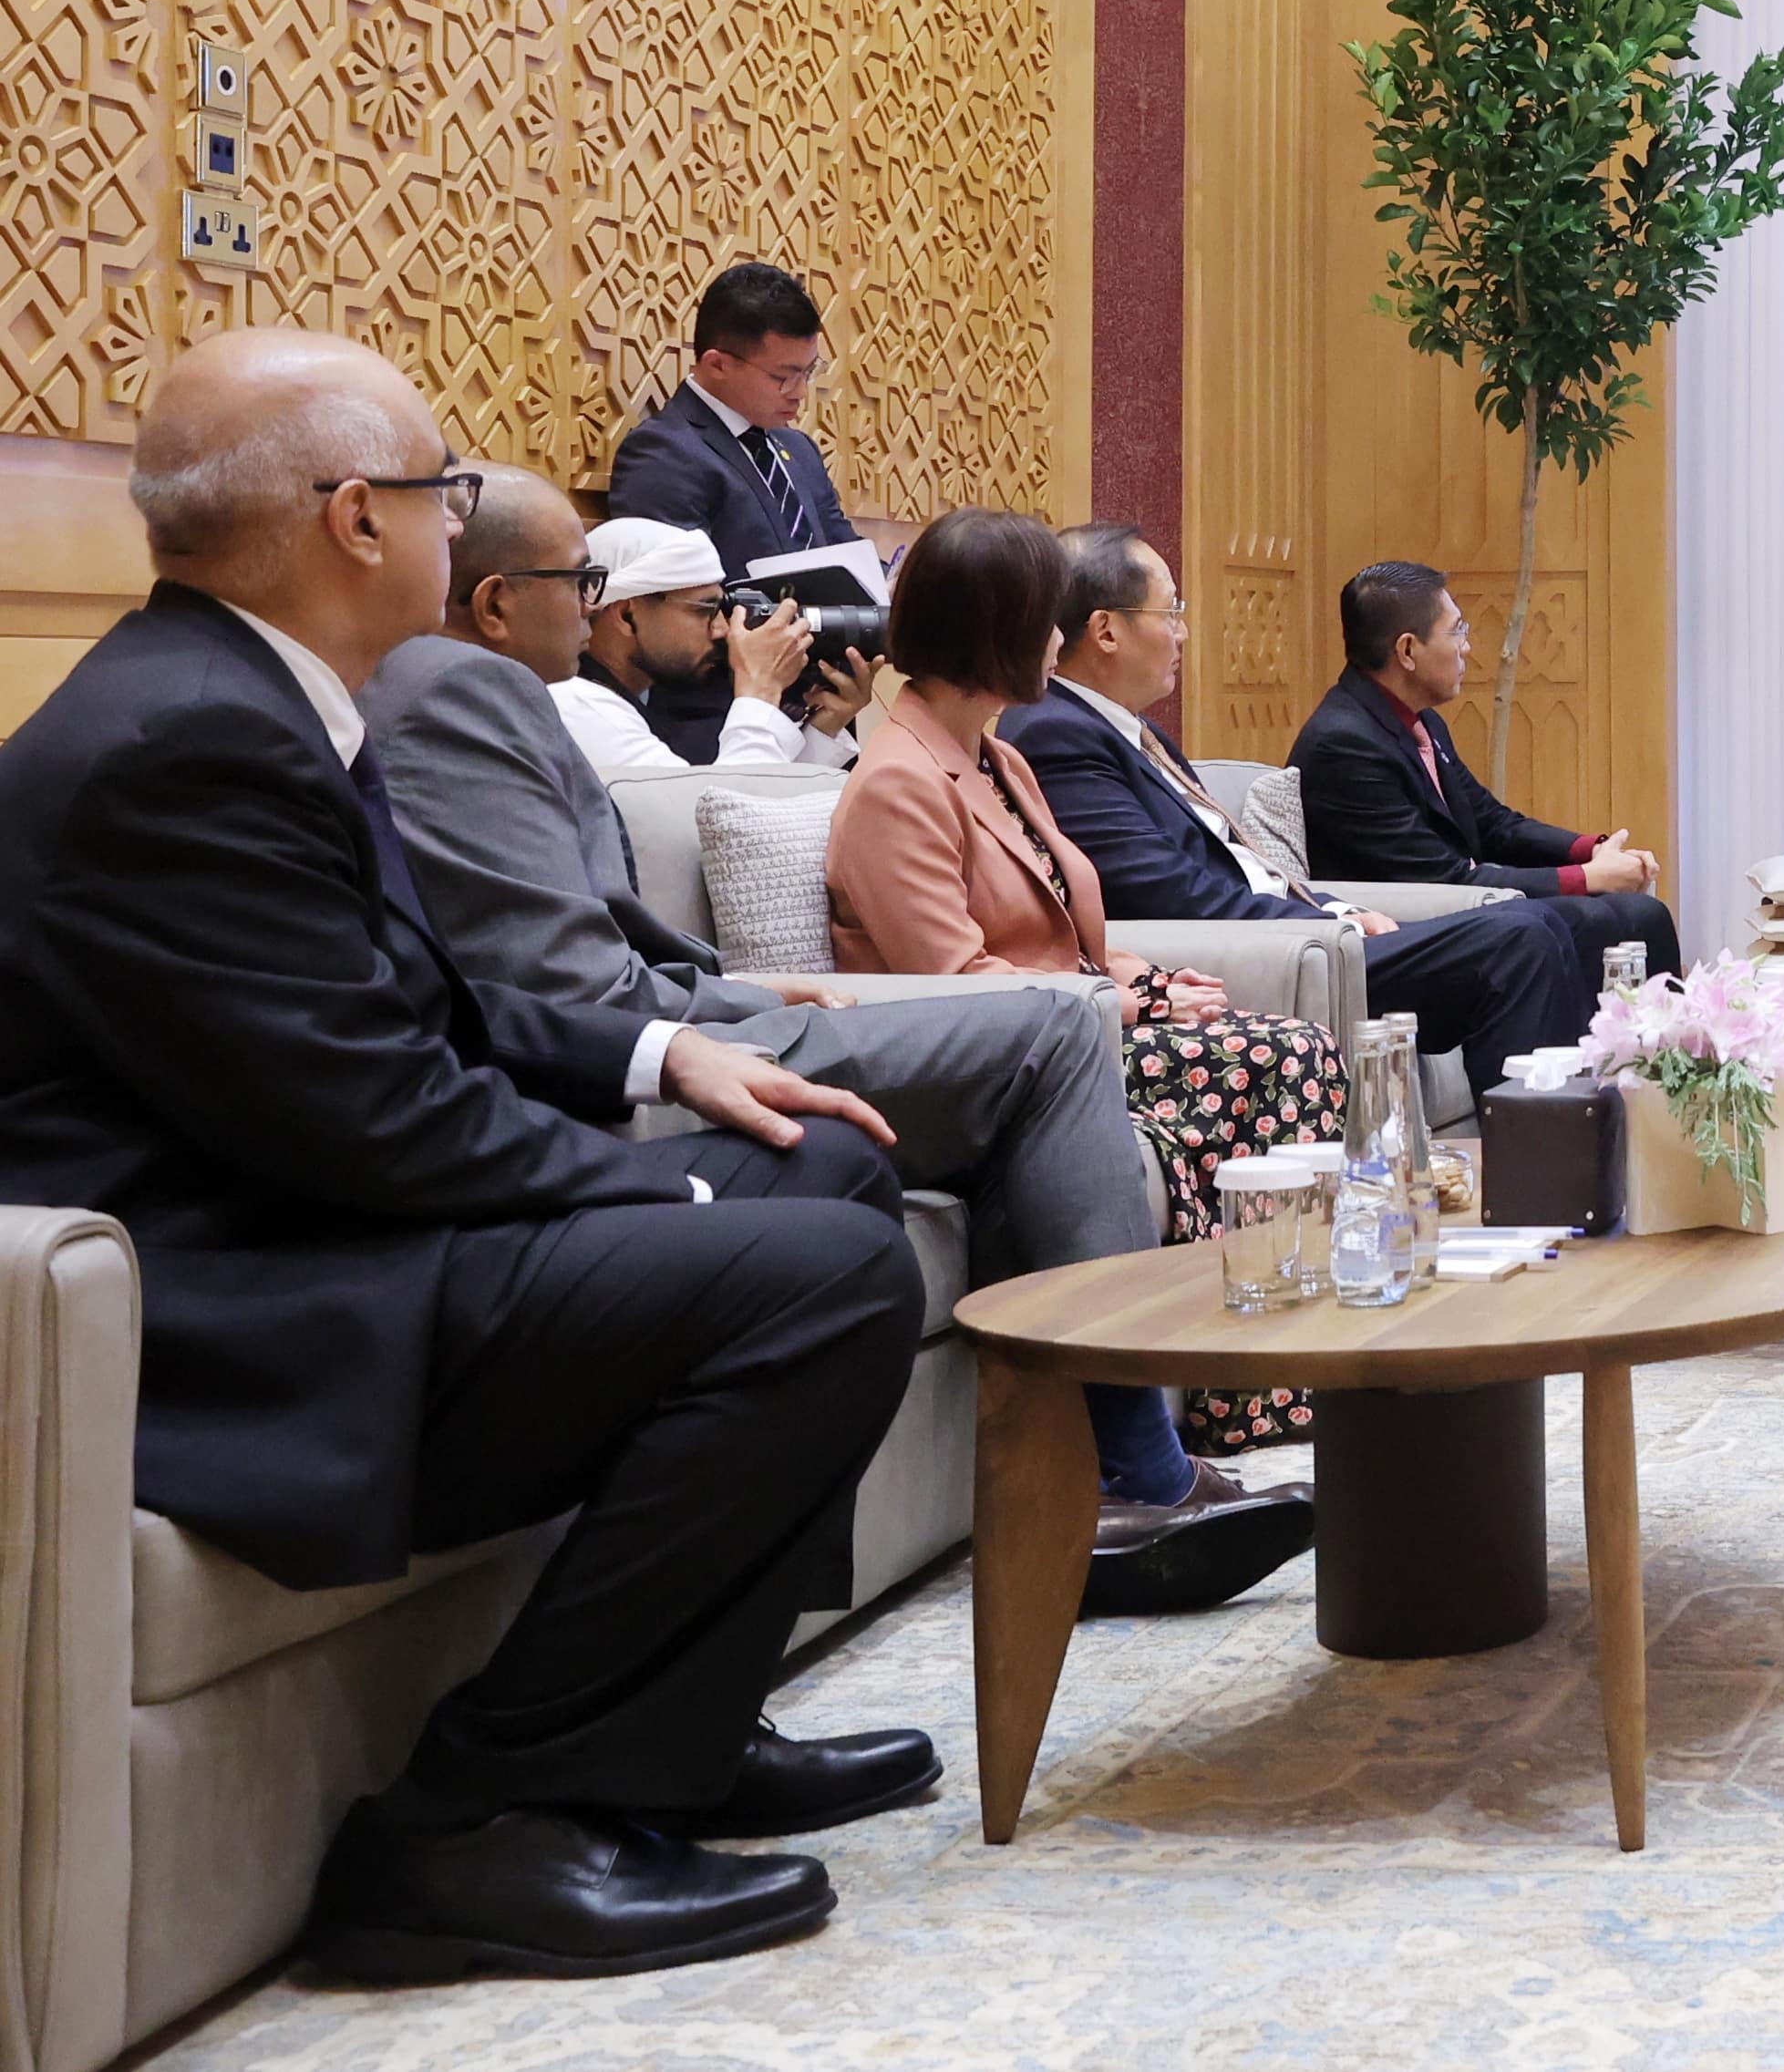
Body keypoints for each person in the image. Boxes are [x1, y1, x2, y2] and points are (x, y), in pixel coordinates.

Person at [0, 330, 933, 1981]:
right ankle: (478, 1826)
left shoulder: (253, 697)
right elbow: (374, 1120)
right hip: (247, 1304)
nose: (467, 531)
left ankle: (688, 1733)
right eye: (442, 496)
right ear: (356, 519)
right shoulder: (179, 746)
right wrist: (671, 1190)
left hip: (332, 1219)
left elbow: (407, 1006)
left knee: (828, 1172)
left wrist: (662, 1054)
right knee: (815, 1265)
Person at [371, 473, 1309, 1613]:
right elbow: (570, 984)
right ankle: (1136, 1472)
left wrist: (759, 988)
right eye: (580, 581)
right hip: (642, 1063)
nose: (598, 606)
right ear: (495, 602)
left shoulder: (1005, 756)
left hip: (698, 1016)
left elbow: (616, 954)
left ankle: (1108, 1475)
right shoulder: (456, 688)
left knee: (1100, 1042)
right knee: (1059, 1034)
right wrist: (730, 1018)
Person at [826, 509, 1344, 1455]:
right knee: (1284, 1057)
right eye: (1043, 618)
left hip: (1074, 1022)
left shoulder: (1000, 756)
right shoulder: (899, 780)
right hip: (983, 1067)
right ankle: (1246, 1395)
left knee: (1286, 1048)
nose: (1059, 640)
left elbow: (1069, 930)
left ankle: (1277, 1370)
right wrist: (1136, 1005)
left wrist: (1149, 976)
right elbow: (960, 983)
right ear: (995, 630)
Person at [1016, 525, 1603, 1094]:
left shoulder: (1127, 728)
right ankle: (1535, 1179)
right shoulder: (1058, 736)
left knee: (1550, 924)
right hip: (1261, 958)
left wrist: (1338, 905)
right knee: (1520, 939)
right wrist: (1331, 925)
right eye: (1171, 613)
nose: (1184, 633)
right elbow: (1171, 893)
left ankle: (1563, 1159)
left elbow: (1241, 864)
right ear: (1106, 631)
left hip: (1304, 935)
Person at [1287, 562, 1683, 988]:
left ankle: (1665, 1053)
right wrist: (1588, 878)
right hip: (1406, 932)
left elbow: (1491, 822)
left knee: (1644, 914)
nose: (1468, 647)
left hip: (1457, 903)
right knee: (1592, 916)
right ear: (1407, 651)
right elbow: (1445, 878)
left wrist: (1592, 850)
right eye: (1456, 631)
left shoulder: (1419, 721)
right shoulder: (1344, 743)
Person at [603, 263, 875, 762]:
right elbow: (680, 608)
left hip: (824, 715)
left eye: (808, 372)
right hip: (717, 728)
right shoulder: (665, 452)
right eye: (782, 376)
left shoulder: (799, 451)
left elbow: (843, 551)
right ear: (717, 364)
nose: (799, 392)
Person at [551, 516, 866, 779]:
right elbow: (722, 831)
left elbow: (741, 807)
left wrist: (823, 729)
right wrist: (759, 690)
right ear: (626, 614)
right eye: (703, 609)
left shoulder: (615, 701)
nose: (722, 629)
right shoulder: (580, 706)